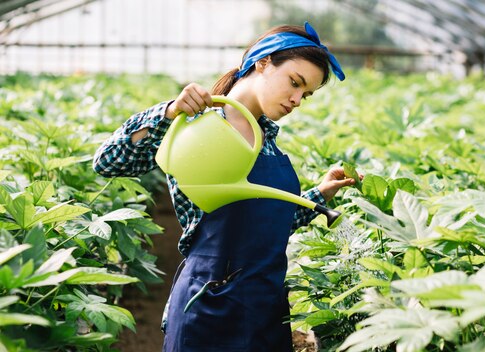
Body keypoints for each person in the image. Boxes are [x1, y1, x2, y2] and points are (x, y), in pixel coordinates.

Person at [93, 22, 357, 351]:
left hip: (267, 306)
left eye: (306, 94)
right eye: (295, 83)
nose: (298, 99)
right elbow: (109, 162)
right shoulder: (199, 127)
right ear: (263, 63)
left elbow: (269, 223)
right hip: (209, 304)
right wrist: (169, 112)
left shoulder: (269, 141)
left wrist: (320, 194)